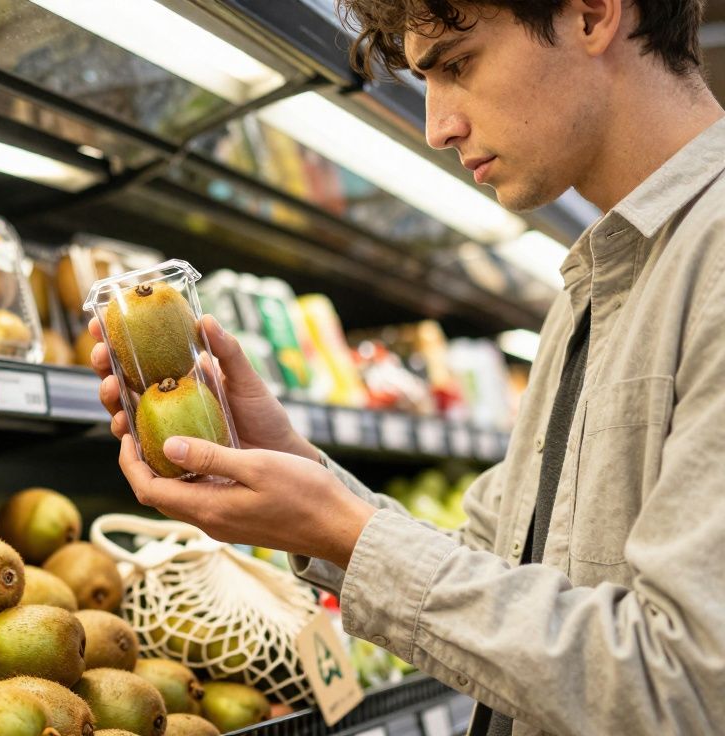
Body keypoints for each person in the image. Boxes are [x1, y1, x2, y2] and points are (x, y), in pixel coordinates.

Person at [87, 1, 725, 734]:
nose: (437, 127)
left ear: (590, 14)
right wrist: (298, 477)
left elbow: (687, 686)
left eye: (456, 64)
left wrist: (345, 533)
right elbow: (499, 571)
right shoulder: (593, 291)